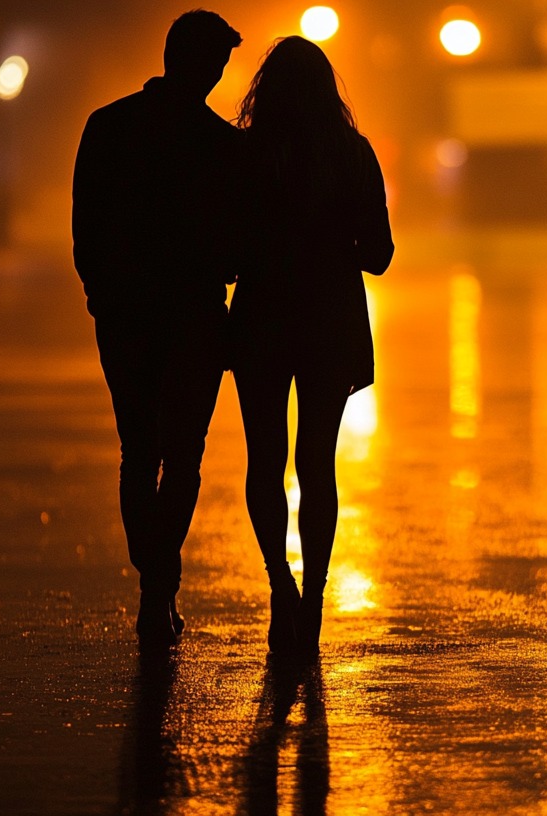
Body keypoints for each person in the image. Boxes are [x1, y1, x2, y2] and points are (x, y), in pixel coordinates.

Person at [72, 10, 243, 647]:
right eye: (216, 61)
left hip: (128, 317)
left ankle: (155, 580)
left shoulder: (109, 127)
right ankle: (158, 585)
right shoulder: (221, 145)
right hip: (194, 318)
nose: (218, 72)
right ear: (197, 62)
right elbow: (235, 247)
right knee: (183, 454)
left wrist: (102, 297)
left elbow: (86, 225)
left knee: (139, 450)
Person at [229, 36, 394, 661]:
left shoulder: (246, 156)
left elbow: (226, 253)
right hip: (329, 321)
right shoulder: (351, 154)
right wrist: (335, 247)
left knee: (264, 459)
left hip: (262, 322)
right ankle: (316, 597)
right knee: (316, 464)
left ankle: (280, 588)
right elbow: (378, 255)